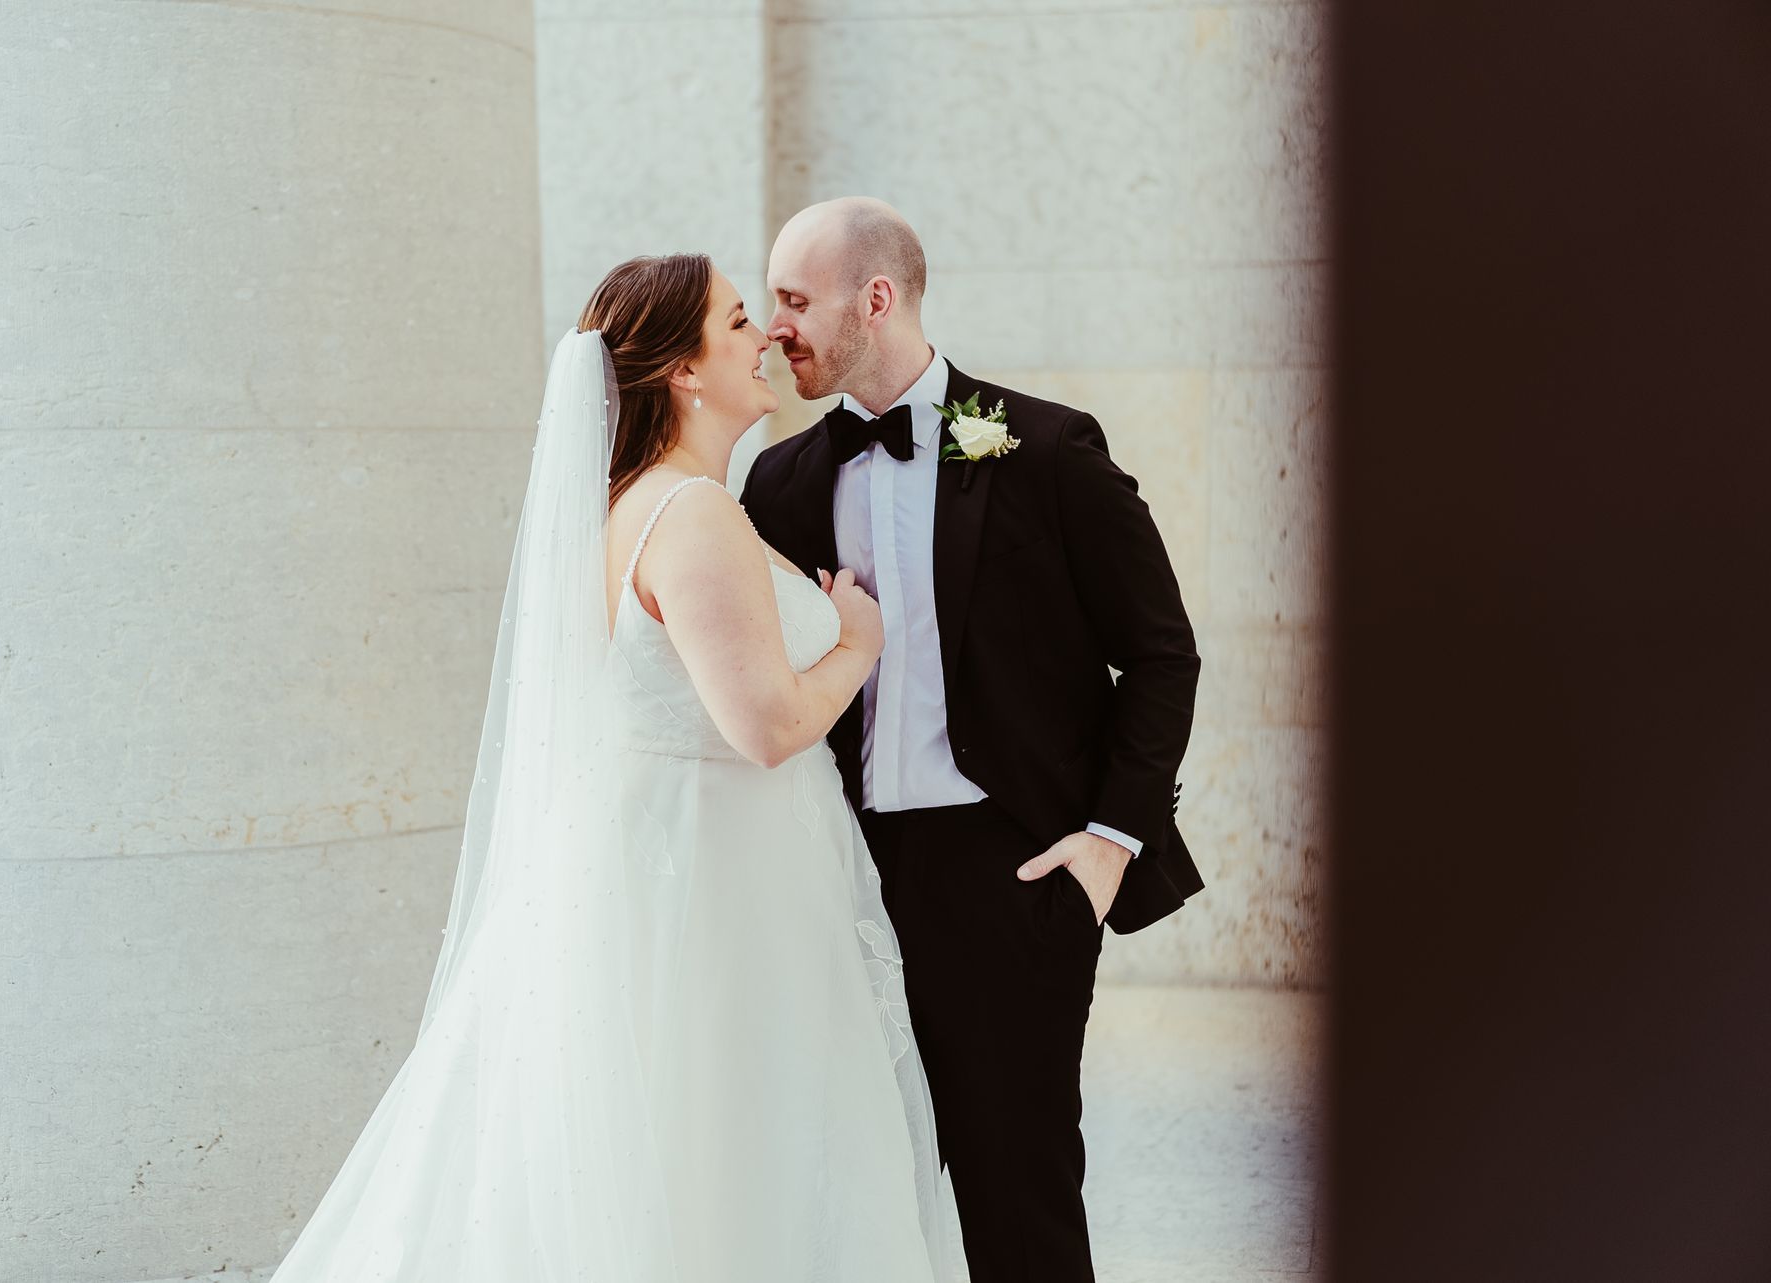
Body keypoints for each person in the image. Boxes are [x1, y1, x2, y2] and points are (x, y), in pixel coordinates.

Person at [266, 252, 964, 1282]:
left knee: (703, 1149)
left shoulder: (651, 502)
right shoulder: (692, 515)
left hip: (700, 857)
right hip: (717, 883)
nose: (766, 335)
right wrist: (857, 640)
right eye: (737, 322)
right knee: (730, 1147)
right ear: (683, 370)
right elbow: (766, 725)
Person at [743, 196, 1204, 1282]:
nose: (775, 327)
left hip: (1013, 872)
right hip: (842, 876)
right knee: (864, 1176)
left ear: (878, 297)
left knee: (1017, 1184)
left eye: (795, 299)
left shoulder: (1046, 448)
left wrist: (1106, 842)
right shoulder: (781, 483)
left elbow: (1161, 654)